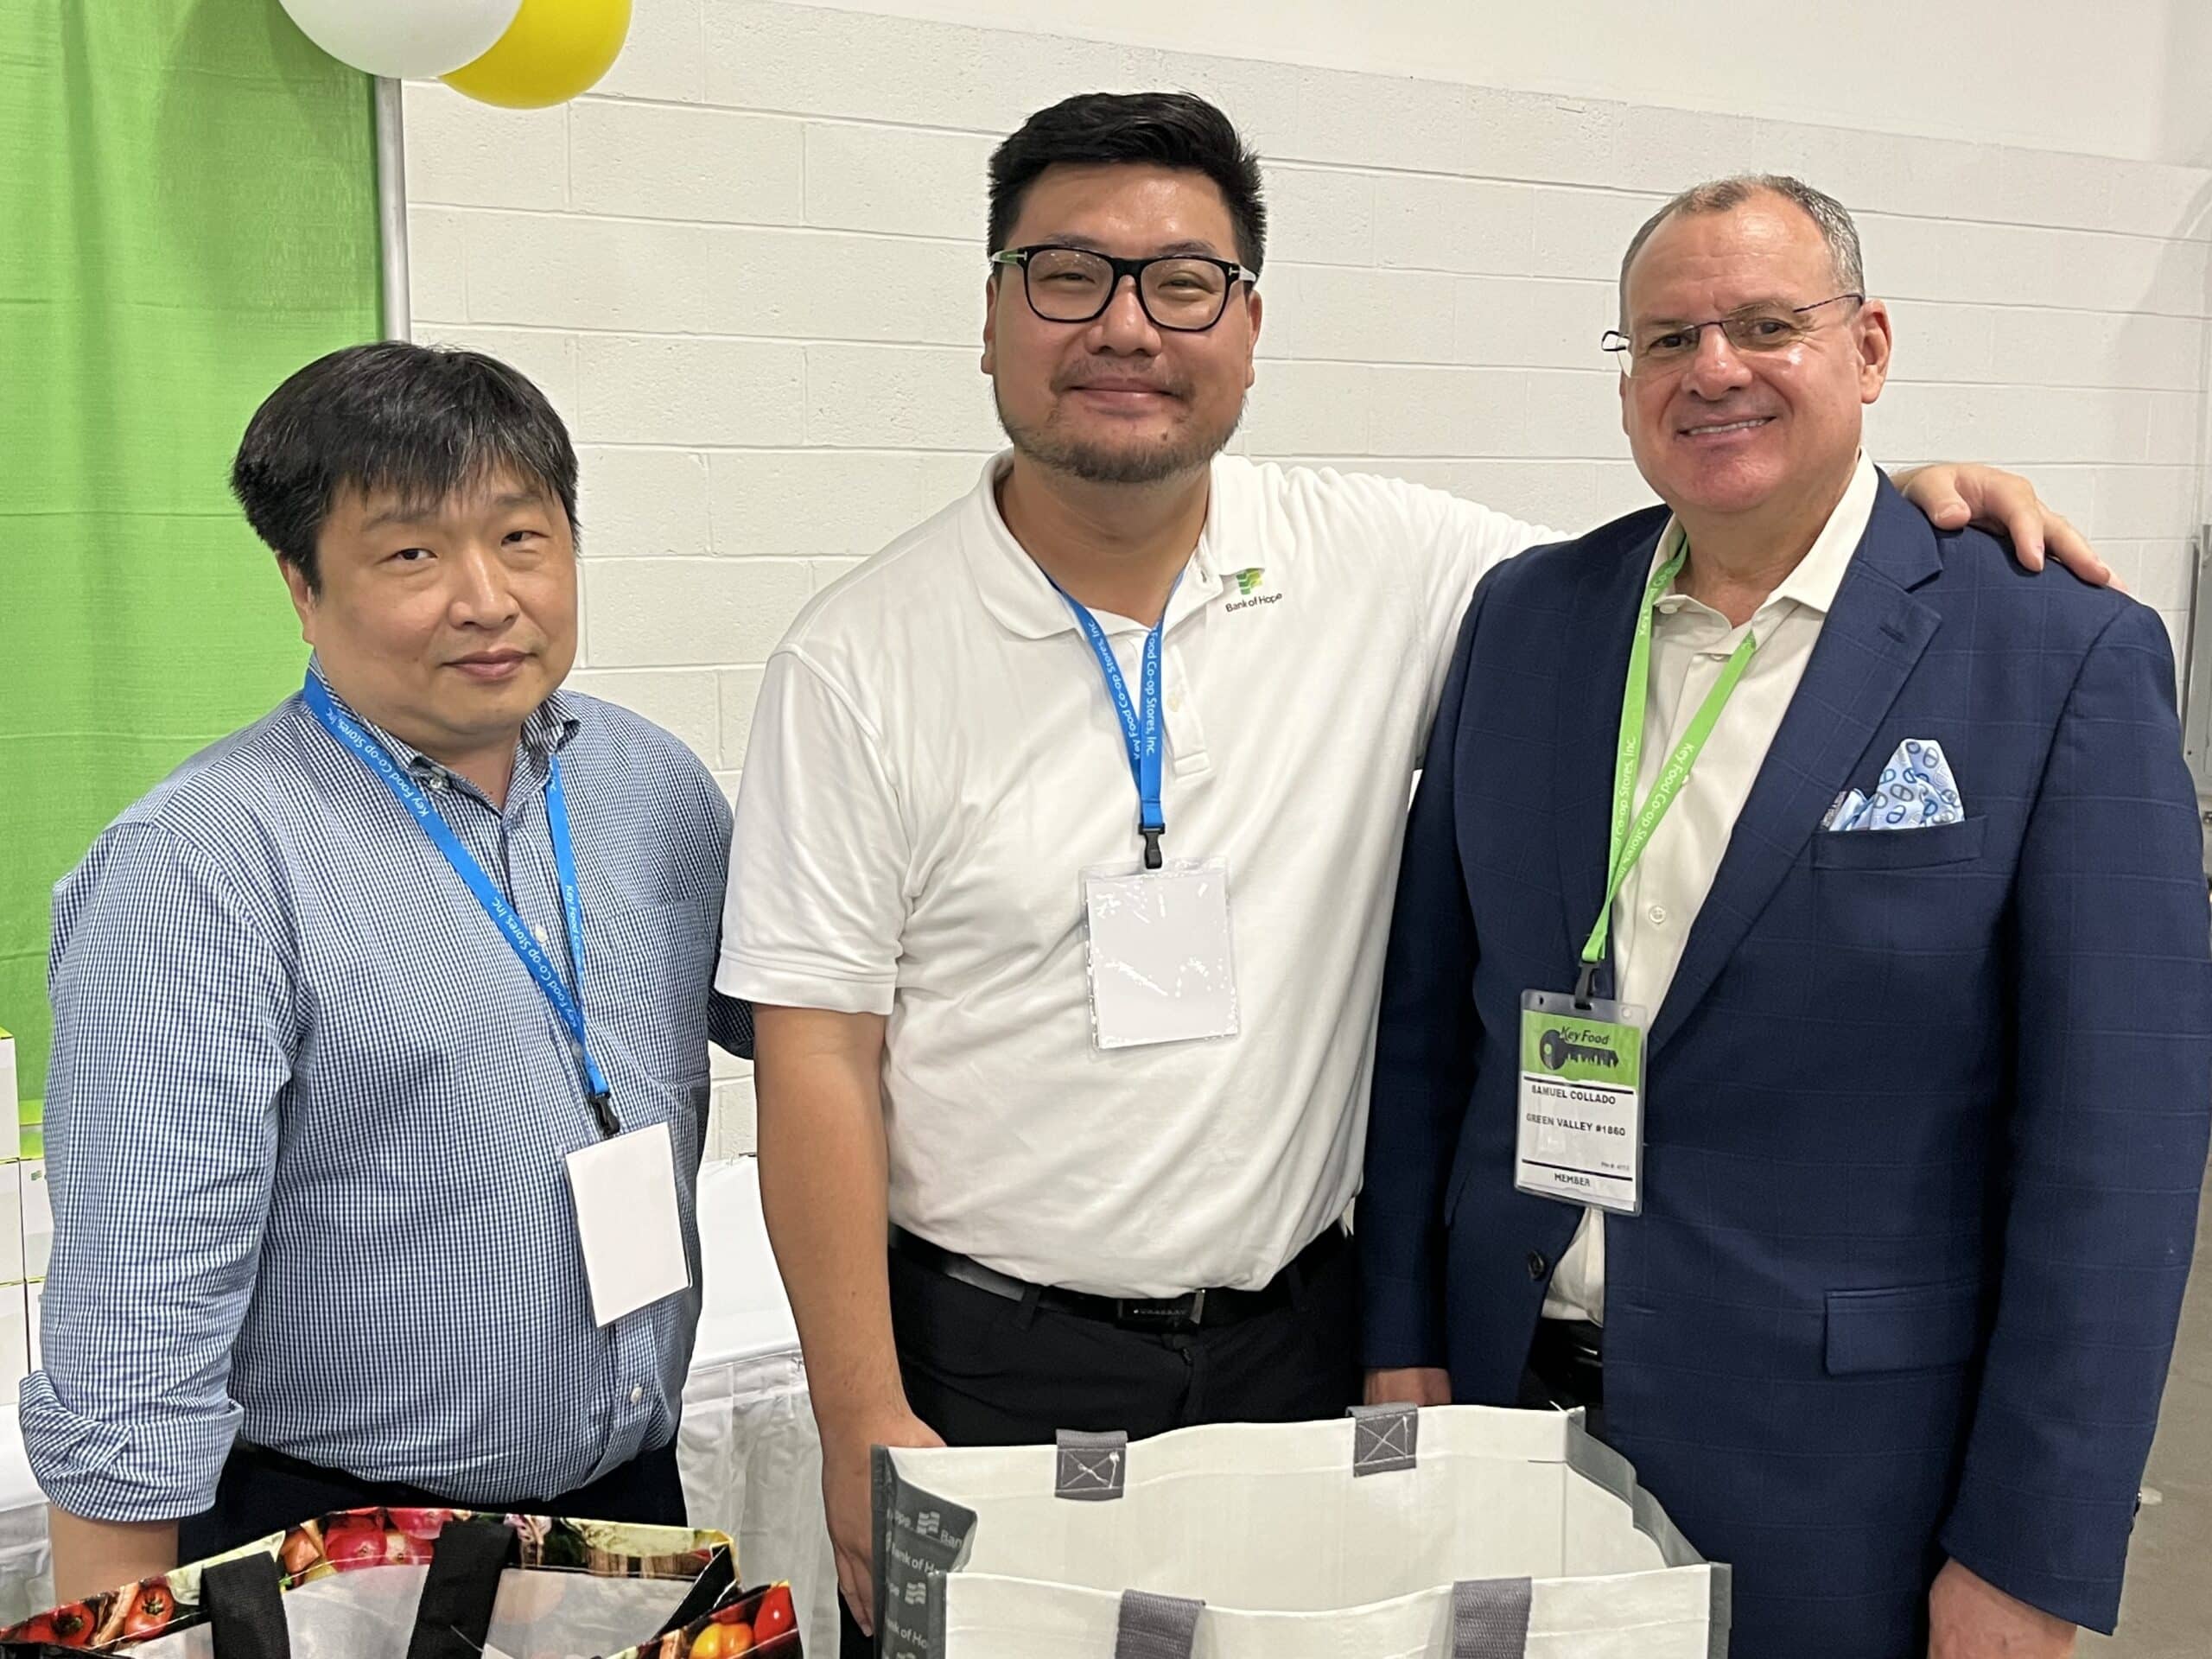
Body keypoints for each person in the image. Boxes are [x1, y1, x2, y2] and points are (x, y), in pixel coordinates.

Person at [714, 93, 2102, 1654]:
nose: (1126, 327)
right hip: (989, 1365)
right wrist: (860, 1412)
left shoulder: (1391, 562)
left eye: (1183, 283)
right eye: (1068, 275)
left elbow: (1716, 541)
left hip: (1301, 1357)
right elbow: (816, 1056)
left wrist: (1895, 506)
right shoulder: (859, 661)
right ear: (989, 316)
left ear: (1249, 328)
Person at [1359, 175, 2212, 1659]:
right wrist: (1400, 1340)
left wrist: (2030, 1554)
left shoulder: (2052, 652)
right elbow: (1429, 1024)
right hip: (1500, 1407)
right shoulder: (1528, 616)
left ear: (1867, 349)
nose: (1714, 370)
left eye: (1767, 326)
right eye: (1666, 339)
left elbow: (2118, 1154)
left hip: (1846, 1477)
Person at [28, 342, 753, 1599]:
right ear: (301, 585)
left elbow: (801, 1032)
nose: (487, 598)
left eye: (522, 537)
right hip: (335, 1543)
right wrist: (121, 1620)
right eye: (413, 554)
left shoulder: (653, 785)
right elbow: (140, 1320)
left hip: (632, 1505)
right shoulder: (200, 864)